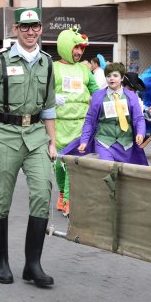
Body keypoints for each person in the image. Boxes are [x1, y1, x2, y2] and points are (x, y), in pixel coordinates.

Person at [0, 7, 57, 286]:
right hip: (5, 136)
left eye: (35, 27)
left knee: (43, 193)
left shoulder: (47, 62)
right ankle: (1, 263)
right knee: (0, 200)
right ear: (16, 29)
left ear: (41, 29)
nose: (31, 32)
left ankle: (32, 265)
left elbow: (49, 107)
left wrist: (52, 141)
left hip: (36, 137)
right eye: (25, 27)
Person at [62, 62, 147, 165]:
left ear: (122, 78)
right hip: (103, 142)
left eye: (115, 75)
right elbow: (89, 120)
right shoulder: (98, 96)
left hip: (126, 144)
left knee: (122, 177)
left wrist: (140, 133)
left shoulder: (131, 96)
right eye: (108, 76)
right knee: (106, 172)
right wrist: (84, 141)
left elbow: (139, 119)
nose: (111, 78)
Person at [53, 28, 99, 216]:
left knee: (74, 162)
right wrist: (51, 97)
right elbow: (40, 91)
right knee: (59, 164)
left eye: (81, 49)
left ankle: (70, 199)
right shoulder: (52, 68)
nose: (79, 52)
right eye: (75, 48)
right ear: (66, 46)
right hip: (58, 125)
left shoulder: (84, 70)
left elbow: (96, 91)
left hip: (81, 125)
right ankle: (63, 192)